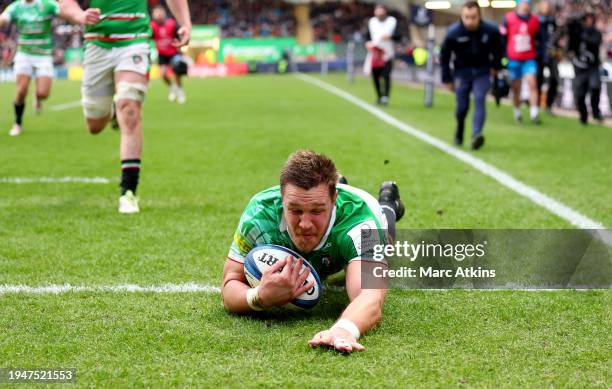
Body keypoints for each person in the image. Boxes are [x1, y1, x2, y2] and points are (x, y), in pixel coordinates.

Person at [221, 150, 406, 353]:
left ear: (334, 199)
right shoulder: (260, 214)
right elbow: (230, 282)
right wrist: (259, 297)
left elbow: (370, 297)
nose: (305, 224)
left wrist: (344, 330)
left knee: (386, 244)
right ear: (281, 197)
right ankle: (336, 187)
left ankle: (388, 203)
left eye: (317, 211)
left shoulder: (362, 222)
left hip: (349, 230)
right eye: (295, 210)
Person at [59, 0, 191, 213]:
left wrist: (185, 22)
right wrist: (80, 16)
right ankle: (113, 110)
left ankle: (128, 192)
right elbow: (65, 4)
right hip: (96, 44)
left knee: (130, 109)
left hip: (134, 40)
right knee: (95, 124)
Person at [440, 1, 503, 150]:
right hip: (462, 73)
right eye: (466, 17)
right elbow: (444, 56)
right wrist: (447, 78)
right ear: (461, 16)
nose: (469, 21)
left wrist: (496, 66)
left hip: (482, 71)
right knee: (462, 107)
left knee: (480, 98)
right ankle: (460, 128)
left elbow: (499, 49)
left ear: (479, 16)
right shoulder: (453, 33)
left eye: (473, 17)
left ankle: (476, 135)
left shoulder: (491, 30)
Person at [0, 0, 60, 136]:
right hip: (24, 54)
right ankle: (17, 123)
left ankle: (37, 97)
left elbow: (64, 11)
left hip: (44, 54)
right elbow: (3, 18)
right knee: (21, 91)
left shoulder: (48, 4)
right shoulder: (16, 7)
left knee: (43, 93)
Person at [500, 0, 541, 124]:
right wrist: (503, 57)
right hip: (514, 59)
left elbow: (540, 39)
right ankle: (517, 112)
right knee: (516, 87)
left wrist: (541, 54)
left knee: (532, 83)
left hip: (529, 58)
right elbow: (502, 38)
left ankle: (534, 113)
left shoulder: (535, 20)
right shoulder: (508, 18)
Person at [567, 12, 603, 125]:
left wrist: (581, 33)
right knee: (579, 95)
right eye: (585, 19)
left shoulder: (595, 33)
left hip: (593, 67)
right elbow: (569, 48)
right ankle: (584, 116)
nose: (587, 22)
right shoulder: (575, 33)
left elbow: (595, 42)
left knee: (595, 87)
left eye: (589, 19)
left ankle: (596, 112)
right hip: (579, 69)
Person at [365, 4, 399, 106]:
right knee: (376, 76)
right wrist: (367, 43)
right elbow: (367, 36)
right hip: (375, 54)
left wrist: (390, 36)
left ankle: (385, 96)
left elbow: (399, 35)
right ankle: (379, 96)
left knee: (386, 75)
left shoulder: (392, 21)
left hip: (387, 53)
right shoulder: (372, 22)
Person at [151, 5, 186, 104]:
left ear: (164, 14)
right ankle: (172, 87)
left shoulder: (172, 24)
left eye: (160, 14)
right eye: (156, 14)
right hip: (162, 54)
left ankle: (180, 91)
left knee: (177, 72)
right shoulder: (152, 26)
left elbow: (179, 37)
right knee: (162, 74)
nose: (159, 16)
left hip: (173, 52)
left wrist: (180, 48)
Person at [536, 0, 560, 115]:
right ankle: (535, 104)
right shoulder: (536, 21)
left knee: (555, 78)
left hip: (551, 54)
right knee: (538, 79)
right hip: (539, 55)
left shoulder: (552, 21)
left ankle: (549, 104)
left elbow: (555, 37)